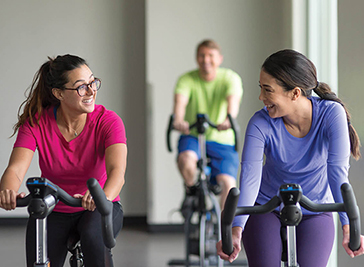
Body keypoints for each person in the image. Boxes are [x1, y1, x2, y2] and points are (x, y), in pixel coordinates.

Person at [217, 49, 364, 267]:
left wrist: (348, 224)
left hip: (315, 208)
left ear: (295, 93)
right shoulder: (260, 122)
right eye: (261, 88)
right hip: (266, 207)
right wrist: (236, 229)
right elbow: (250, 178)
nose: (261, 97)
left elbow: (337, 173)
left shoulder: (332, 114)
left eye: (268, 90)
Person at [0, 54, 127, 267]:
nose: (91, 91)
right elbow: (15, 169)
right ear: (59, 93)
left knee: (93, 237)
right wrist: (8, 191)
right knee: (38, 255)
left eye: (92, 82)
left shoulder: (108, 121)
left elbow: (117, 172)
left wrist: (102, 197)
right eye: (81, 87)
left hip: (98, 206)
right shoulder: (36, 123)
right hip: (53, 208)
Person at [172, 39, 243, 214]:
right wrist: (179, 120)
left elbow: (232, 101)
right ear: (196, 58)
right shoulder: (187, 79)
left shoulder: (230, 78)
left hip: (222, 139)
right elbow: (180, 103)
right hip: (194, 135)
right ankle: (190, 191)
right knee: (186, 159)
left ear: (219, 58)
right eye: (202, 56)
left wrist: (229, 118)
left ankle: (225, 232)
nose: (206, 60)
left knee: (228, 185)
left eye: (210, 56)